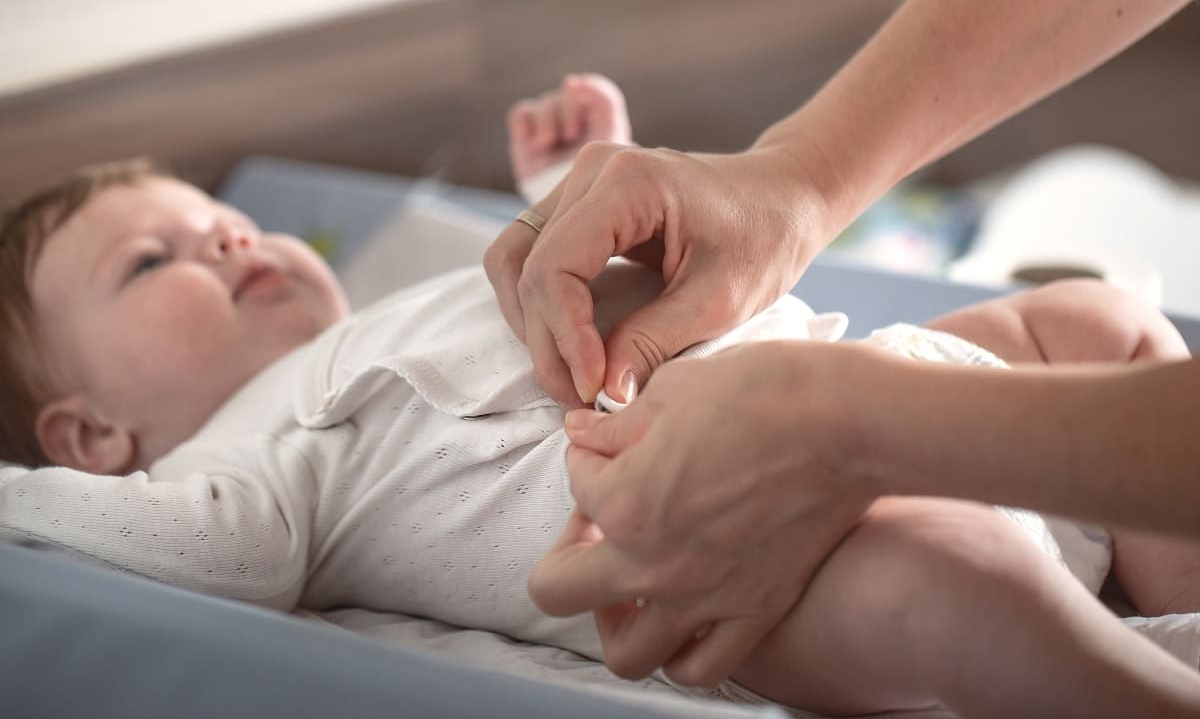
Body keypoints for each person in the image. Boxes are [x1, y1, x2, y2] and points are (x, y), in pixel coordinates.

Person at [2, 79, 1200, 718]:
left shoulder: (389, 295)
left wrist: (566, 187)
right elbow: (229, 557)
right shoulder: (237, 461)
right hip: (771, 575)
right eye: (151, 262)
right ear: (91, 435)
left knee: (1088, 317)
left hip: (891, 389)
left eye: (228, 221)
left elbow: (538, 275)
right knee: (962, 572)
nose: (223, 239)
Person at [484, 0, 1200, 689]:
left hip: (870, 408)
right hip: (787, 521)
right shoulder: (331, 440)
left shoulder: (346, 380)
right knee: (949, 585)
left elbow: (565, 277)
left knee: (1095, 330)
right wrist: (796, 173)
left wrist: (563, 200)